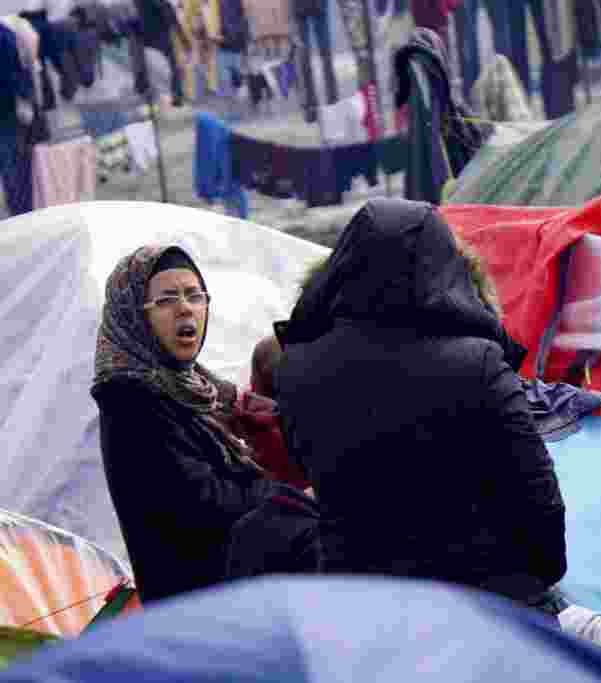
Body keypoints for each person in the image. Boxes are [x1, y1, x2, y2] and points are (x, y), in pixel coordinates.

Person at [274, 198, 568, 608]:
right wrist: (541, 575)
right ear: (443, 265)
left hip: (358, 598)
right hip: (480, 599)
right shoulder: (478, 364)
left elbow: (310, 469)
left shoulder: (296, 367)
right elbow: (537, 495)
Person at [91, 245, 308, 603]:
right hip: (192, 605)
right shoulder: (129, 400)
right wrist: (290, 496)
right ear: (133, 315)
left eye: (195, 296)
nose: (185, 308)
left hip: (231, 592)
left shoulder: (194, 388)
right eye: (166, 300)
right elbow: (202, 502)